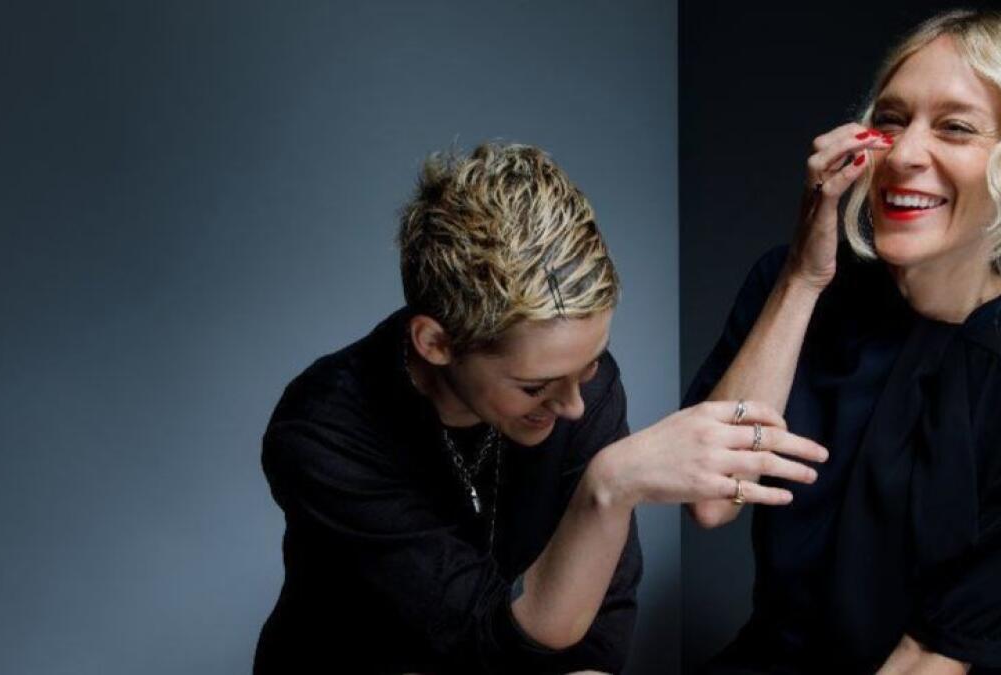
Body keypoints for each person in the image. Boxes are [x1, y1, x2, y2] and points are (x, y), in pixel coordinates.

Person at [254, 142, 828, 674]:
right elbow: (481, 641)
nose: (576, 404)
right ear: (436, 343)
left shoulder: (582, 385)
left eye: (591, 363)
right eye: (535, 386)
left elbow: (602, 630)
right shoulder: (322, 430)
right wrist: (607, 485)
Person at [685, 9, 1001, 675]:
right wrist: (805, 277)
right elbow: (710, 497)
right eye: (891, 119)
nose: (901, 153)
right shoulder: (791, 290)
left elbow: (932, 654)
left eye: (954, 127)